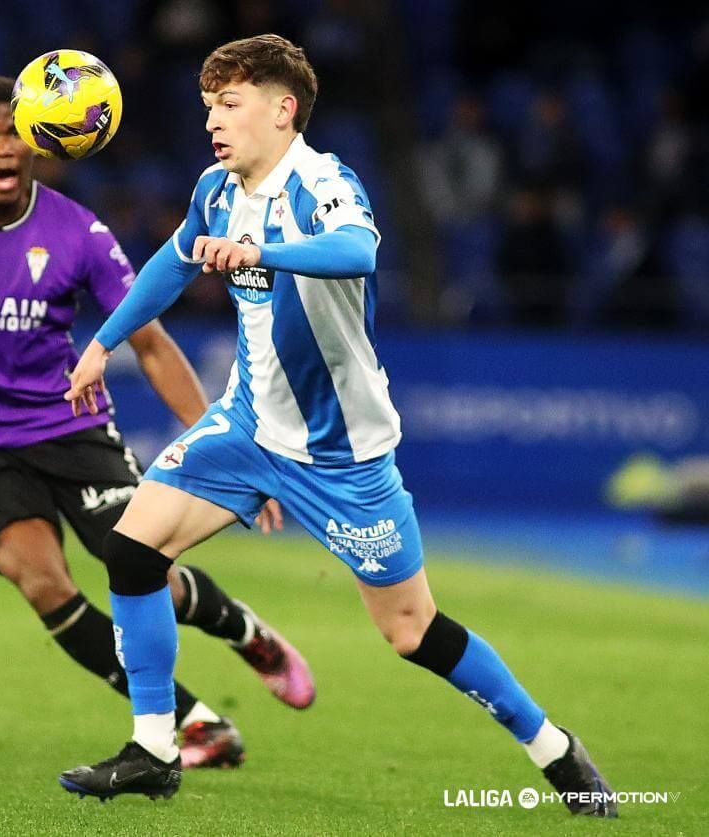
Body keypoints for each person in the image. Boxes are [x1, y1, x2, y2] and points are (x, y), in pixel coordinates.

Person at [58, 35, 618, 817]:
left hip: (340, 457)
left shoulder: (324, 182)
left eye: (229, 103)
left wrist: (263, 250)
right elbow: (173, 261)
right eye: (207, 106)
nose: (212, 121)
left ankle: (553, 747)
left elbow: (357, 250)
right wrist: (102, 342)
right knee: (130, 546)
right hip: (248, 428)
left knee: (412, 632)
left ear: (283, 110)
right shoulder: (216, 189)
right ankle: (155, 746)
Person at [0, 76, 316, 770]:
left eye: (13, 133)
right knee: (44, 583)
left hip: (71, 428)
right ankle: (190, 719)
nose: (1, 147)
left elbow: (150, 341)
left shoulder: (76, 232)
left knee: (140, 567)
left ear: (38, 140)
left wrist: (226, 447)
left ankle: (245, 631)